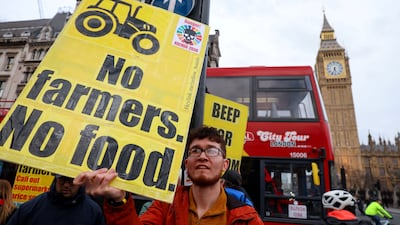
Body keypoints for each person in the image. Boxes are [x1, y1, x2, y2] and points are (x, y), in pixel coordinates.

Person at [74, 126, 264, 225]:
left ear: (225, 164)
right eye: (195, 151)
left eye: (212, 151)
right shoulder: (165, 206)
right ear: (186, 163)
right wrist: (118, 202)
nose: (203, 156)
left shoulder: (245, 217)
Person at [6, 174, 105, 225]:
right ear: (56, 180)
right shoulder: (32, 207)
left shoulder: (93, 211)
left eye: (71, 181)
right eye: (62, 180)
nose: (66, 185)